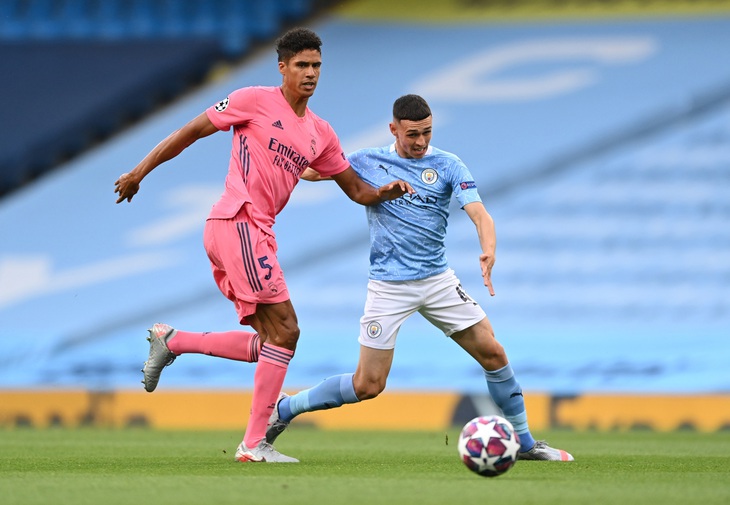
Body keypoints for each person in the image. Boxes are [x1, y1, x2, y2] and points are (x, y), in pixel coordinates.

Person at [113, 28, 413, 464]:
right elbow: (191, 130)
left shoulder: (320, 133)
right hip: (237, 220)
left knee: (272, 341)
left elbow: (356, 189)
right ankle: (253, 444)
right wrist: (139, 172)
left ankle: (174, 341)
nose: (310, 74)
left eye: (316, 66)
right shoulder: (253, 99)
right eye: (302, 66)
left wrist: (385, 191)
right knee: (287, 332)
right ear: (283, 68)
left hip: (254, 231)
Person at [265, 94, 574, 462]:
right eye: (412, 134)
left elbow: (479, 213)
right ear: (393, 129)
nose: (421, 142)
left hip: (437, 281)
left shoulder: (448, 164)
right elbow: (313, 170)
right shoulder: (367, 161)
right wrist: (277, 156)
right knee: (368, 384)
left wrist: (488, 248)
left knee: (493, 353)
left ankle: (524, 444)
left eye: (427, 132)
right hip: (388, 286)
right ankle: (284, 409)